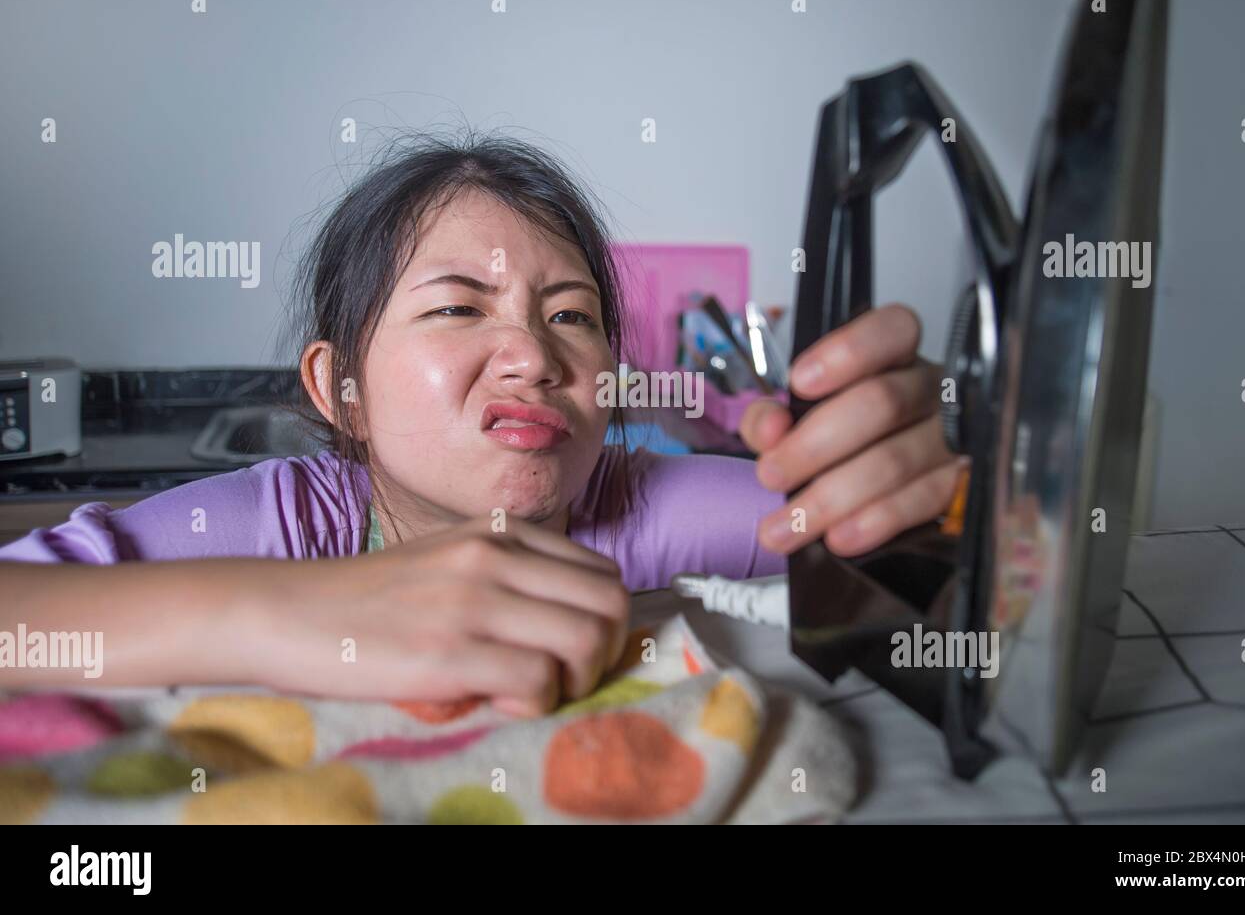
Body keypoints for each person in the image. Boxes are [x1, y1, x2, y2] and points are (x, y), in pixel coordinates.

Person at [0, 133, 964, 718]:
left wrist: (904, 478)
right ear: (342, 389)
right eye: (460, 308)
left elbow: (908, 554)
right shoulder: (281, 523)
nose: (536, 357)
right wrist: (288, 610)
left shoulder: (632, 501)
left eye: (572, 316)